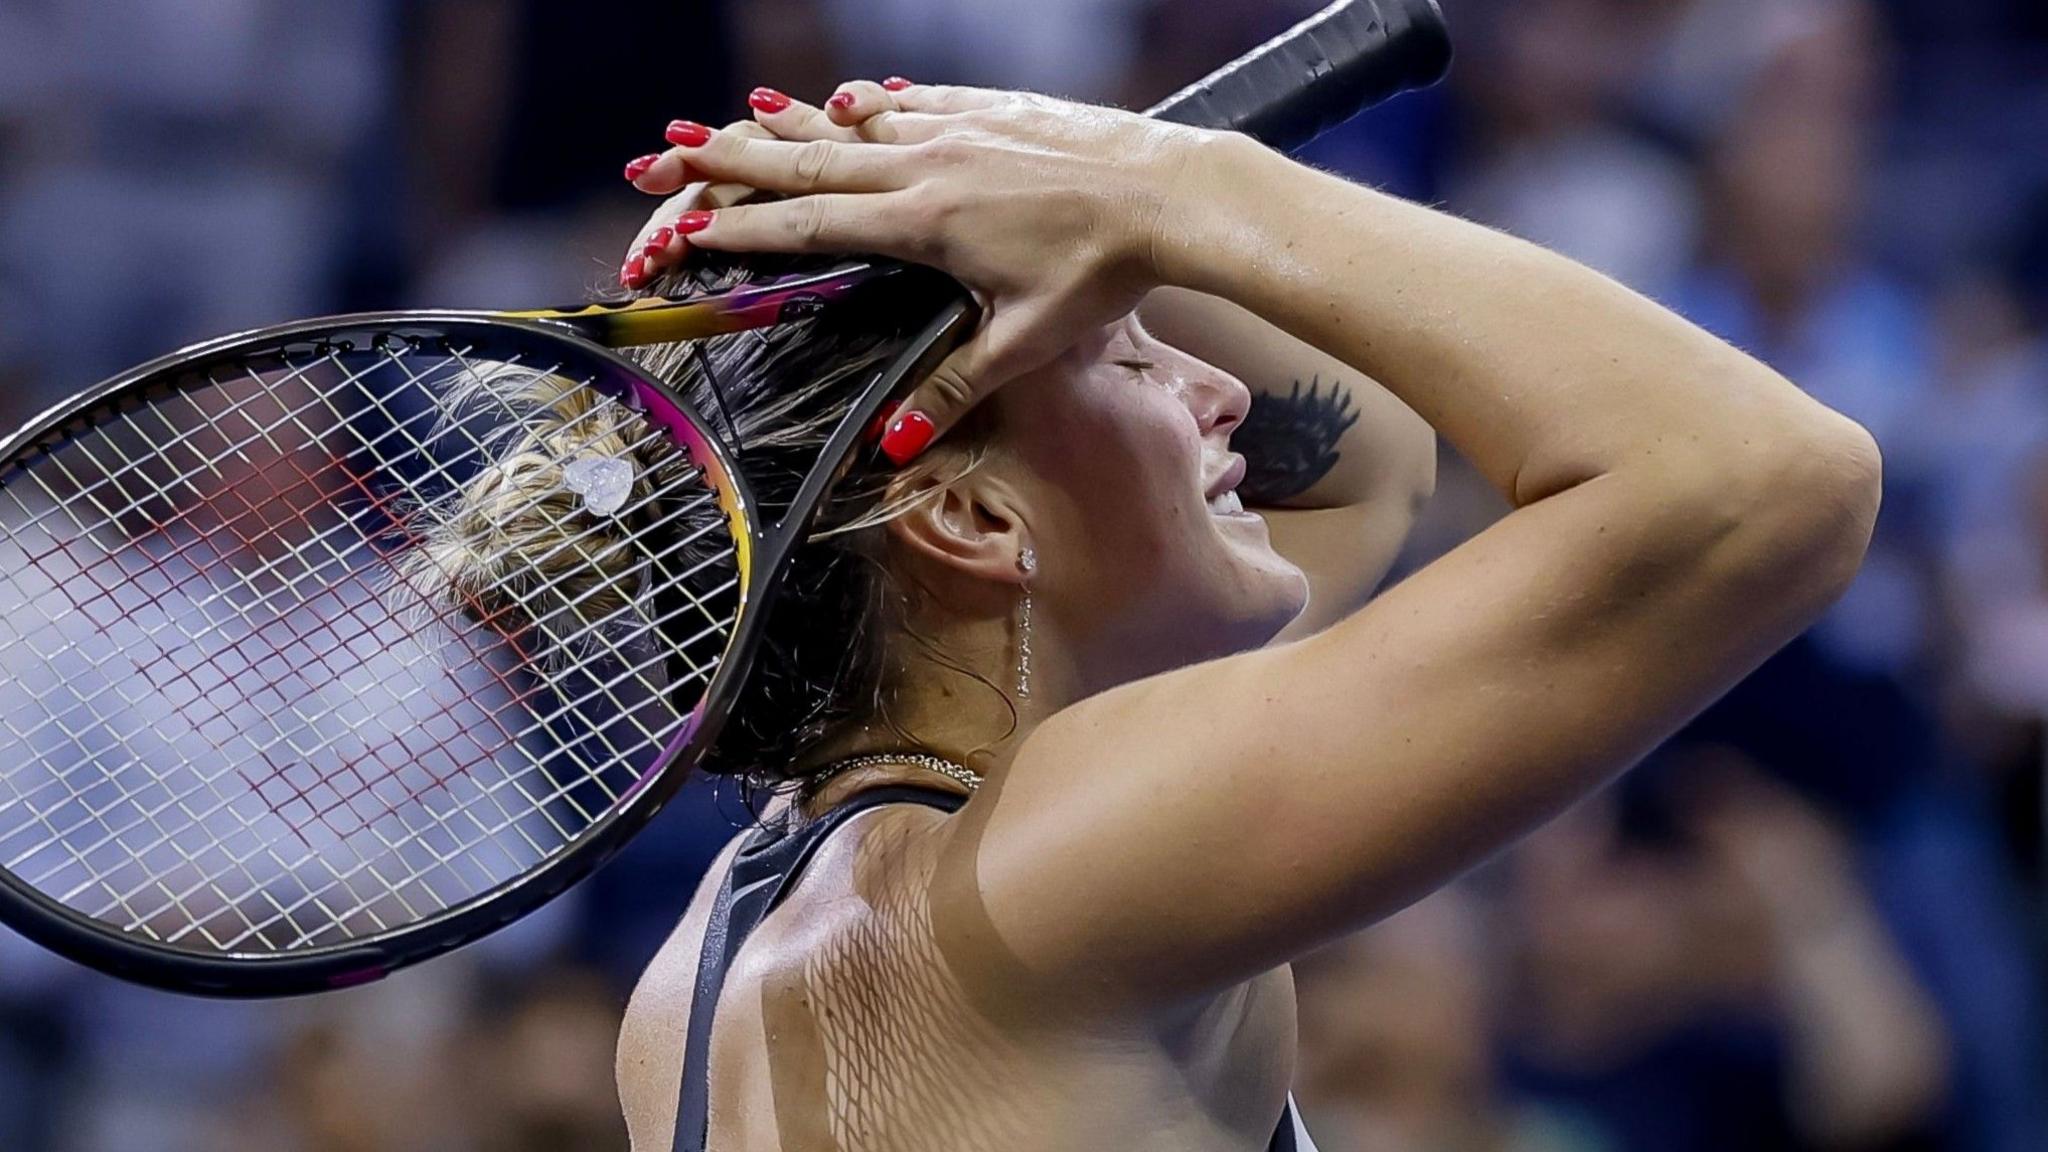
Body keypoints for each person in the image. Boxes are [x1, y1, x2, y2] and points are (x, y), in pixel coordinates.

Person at [422, 77, 1880, 1151]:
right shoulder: (1057, 867)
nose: (1220, 388)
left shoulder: (748, 930)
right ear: (971, 517)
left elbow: (1371, 453)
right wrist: (1158, 184)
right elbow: (1767, 483)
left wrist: (1043, 183)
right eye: (1130, 356)